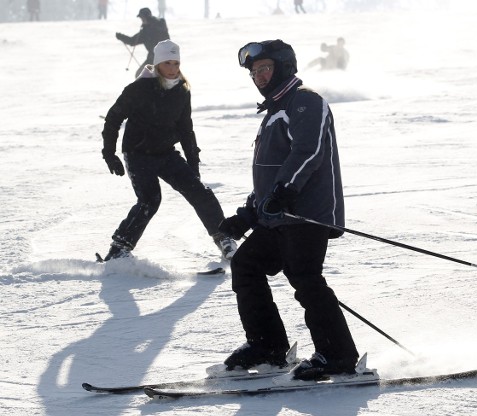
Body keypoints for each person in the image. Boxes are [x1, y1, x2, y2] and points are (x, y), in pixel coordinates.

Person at [218, 39, 359, 381]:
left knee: (305, 278)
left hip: (305, 215)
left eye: (264, 68)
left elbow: (308, 153)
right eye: (254, 71)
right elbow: (270, 175)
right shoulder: (272, 112)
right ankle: (267, 346)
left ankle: (338, 356)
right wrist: (249, 215)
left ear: (283, 66)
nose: (259, 76)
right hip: (277, 217)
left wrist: (284, 192)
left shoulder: (306, 102)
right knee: (246, 264)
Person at [99, 40, 236, 262]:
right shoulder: (138, 89)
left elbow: (185, 129)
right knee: (150, 200)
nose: (172, 68)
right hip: (138, 153)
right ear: (158, 64)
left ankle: (224, 238)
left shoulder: (182, 91)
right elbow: (113, 119)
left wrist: (193, 165)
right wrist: (109, 154)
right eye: (167, 63)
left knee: (200, 192)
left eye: (176, 63)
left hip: (165, 153)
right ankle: (119, 249)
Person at [115, 8, 170, 77]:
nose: (141, 20)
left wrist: (149, 26)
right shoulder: (145, 31)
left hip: (164, 58)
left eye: (142, 18)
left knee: (154, 77)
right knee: (139, 75)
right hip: (151, 58)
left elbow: (162, 32)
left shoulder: (159, 24)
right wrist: (121, 37)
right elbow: (132, 41)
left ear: (147, 17)